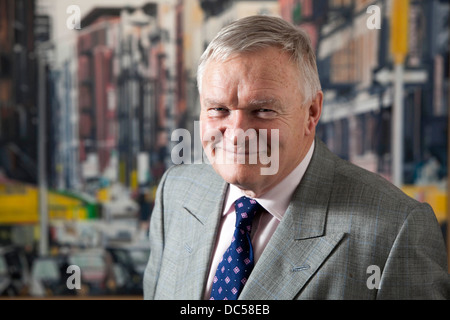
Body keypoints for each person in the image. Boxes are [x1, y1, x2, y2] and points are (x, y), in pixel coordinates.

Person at [143, 15, 449, 300]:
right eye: (218, 109)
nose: (236, 133)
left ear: (311, 112)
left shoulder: (396, 231)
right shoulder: (176, 192)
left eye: (262, 110)